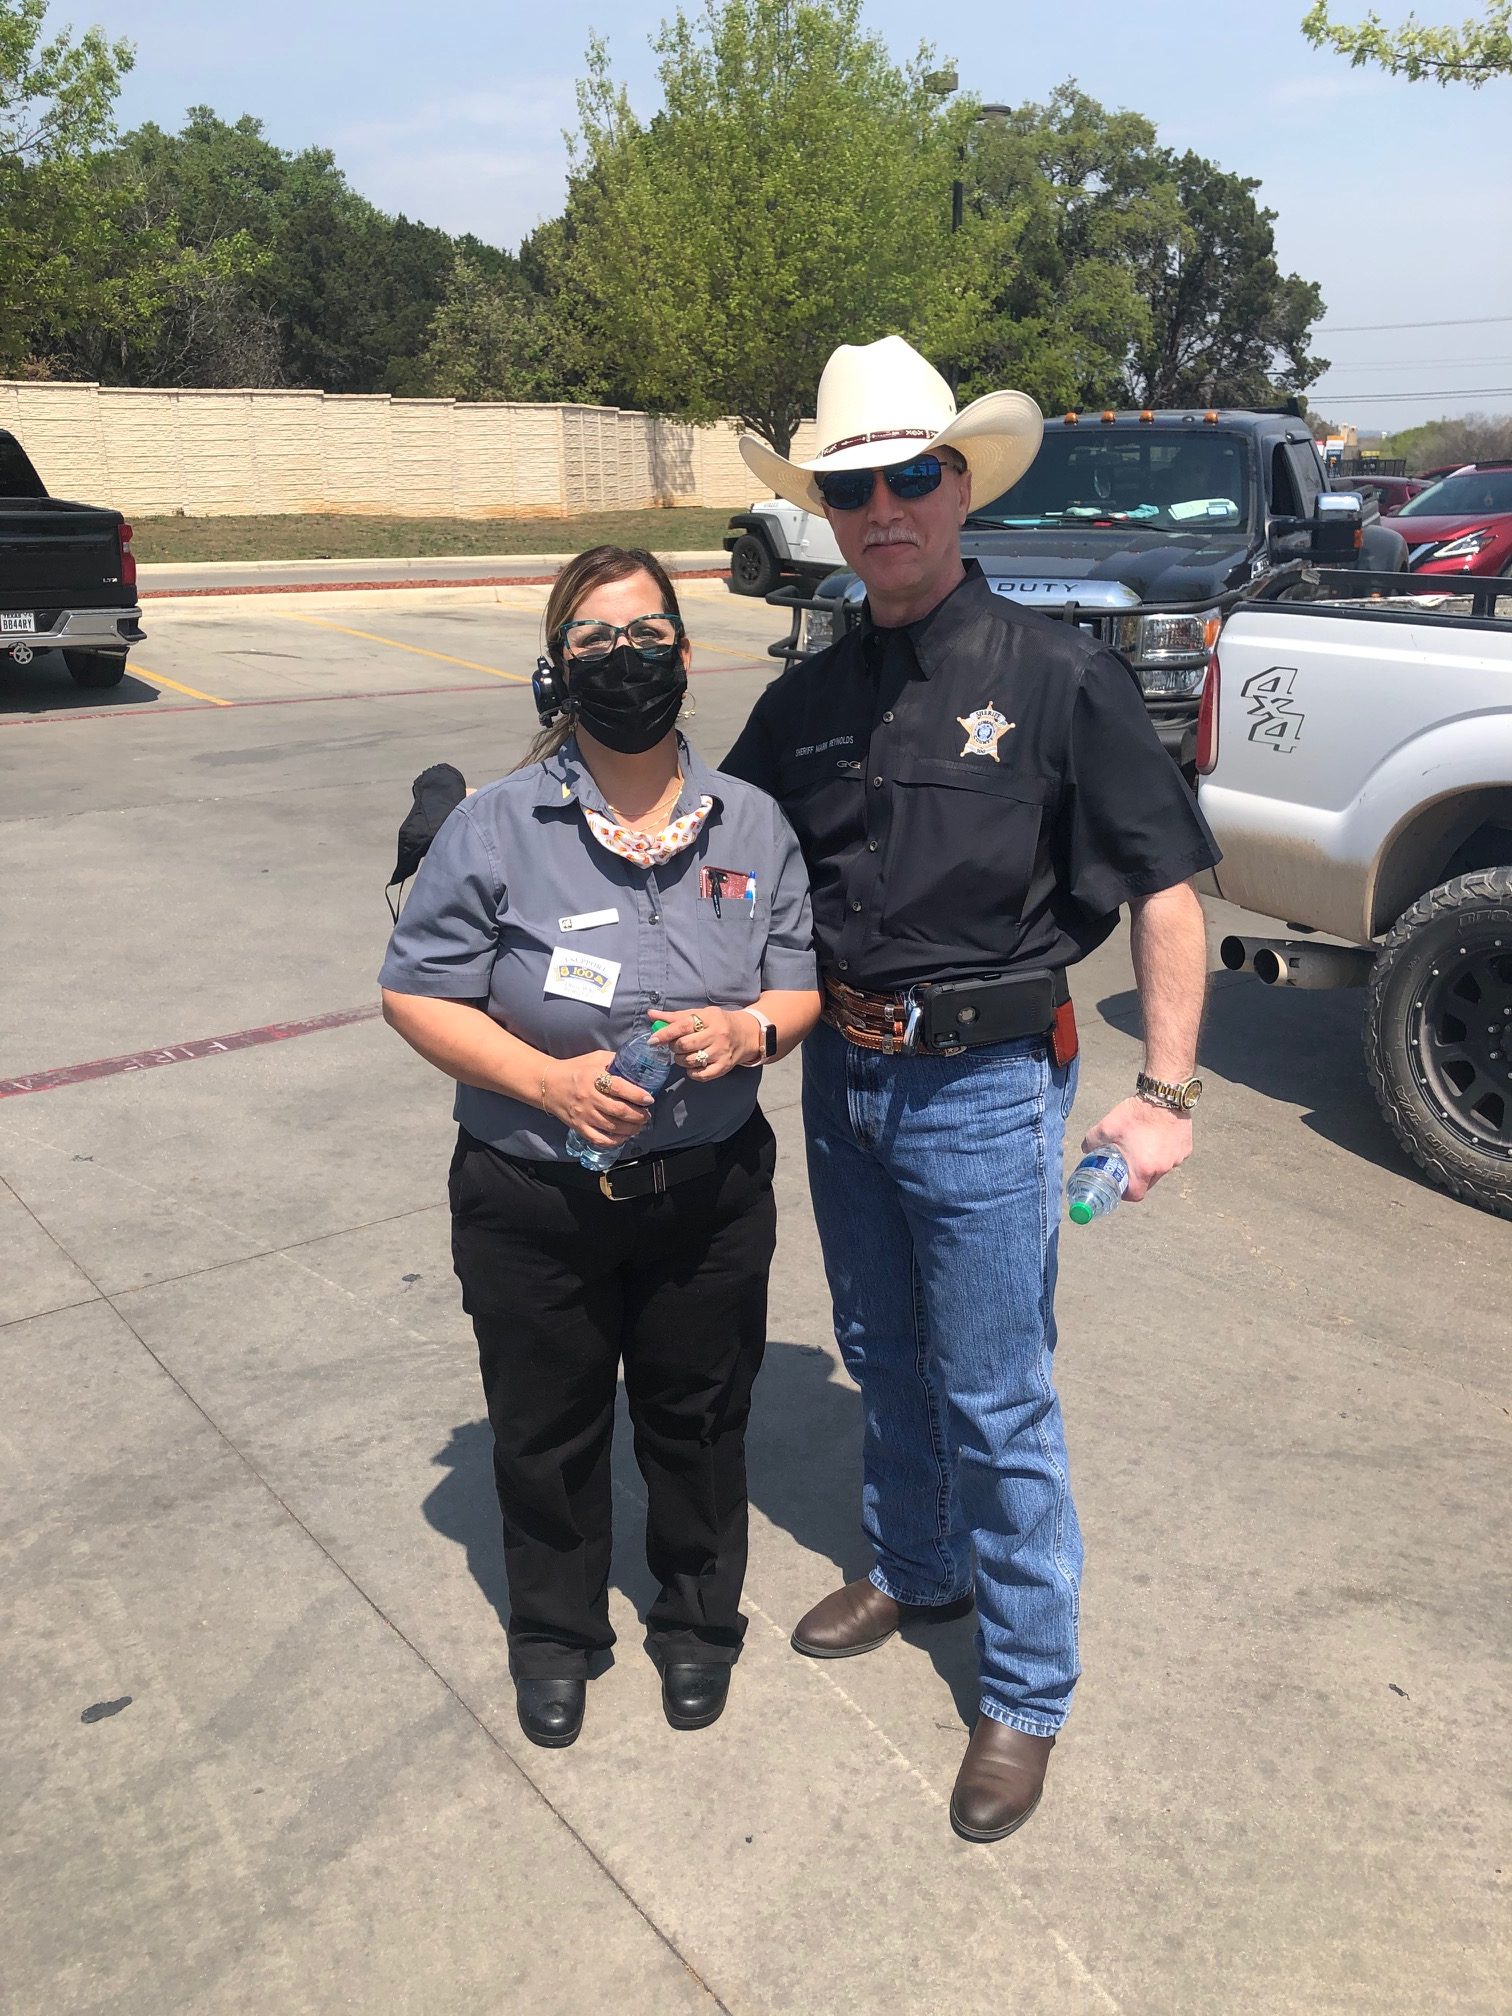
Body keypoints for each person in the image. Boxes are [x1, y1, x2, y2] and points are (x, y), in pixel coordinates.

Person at [724, 337, 1218, 1842]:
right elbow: (720, 846)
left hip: (987, 1089)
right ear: (825, 511)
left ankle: (1025, 1688)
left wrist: (1168, 1093)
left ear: (958, 486)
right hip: (844, 1079)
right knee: (881, 1347)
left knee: (998, 1394)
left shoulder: (1058, 674)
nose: (882, 510)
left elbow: (1168, 884)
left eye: (908, 479)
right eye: (851, 489)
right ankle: (917, 1565)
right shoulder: (807, 699)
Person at [379, 545, 822, 1749]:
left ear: (684, 651)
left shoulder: (754, 823)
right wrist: (548, 1082)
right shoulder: (494, 826)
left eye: (646, 635)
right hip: (533, 1192)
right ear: (557, 669)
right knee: (546, 1426)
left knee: (699, 1417)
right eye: (595, 640)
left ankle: (697, 1622)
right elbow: (415, 993)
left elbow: (797, 986)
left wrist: (750, 1030)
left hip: (707, 1189)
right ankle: (557, 1635)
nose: (625, 658)